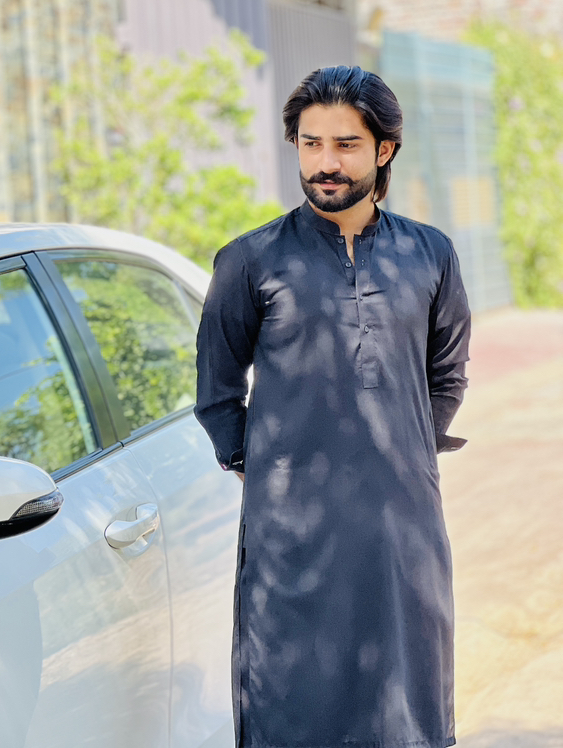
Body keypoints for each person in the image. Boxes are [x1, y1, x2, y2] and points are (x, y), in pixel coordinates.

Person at [195, 65, 470, 748]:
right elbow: (217, 392)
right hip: (293, 536)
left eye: (345, 144)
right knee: (293, 699)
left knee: (407, 701)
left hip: (402, 527)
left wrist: (404, 451)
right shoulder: (250, 260)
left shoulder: (430, 254)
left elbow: (446, 373)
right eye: (311, 143)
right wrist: (271, 472)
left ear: (384, 150)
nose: (325, 162)